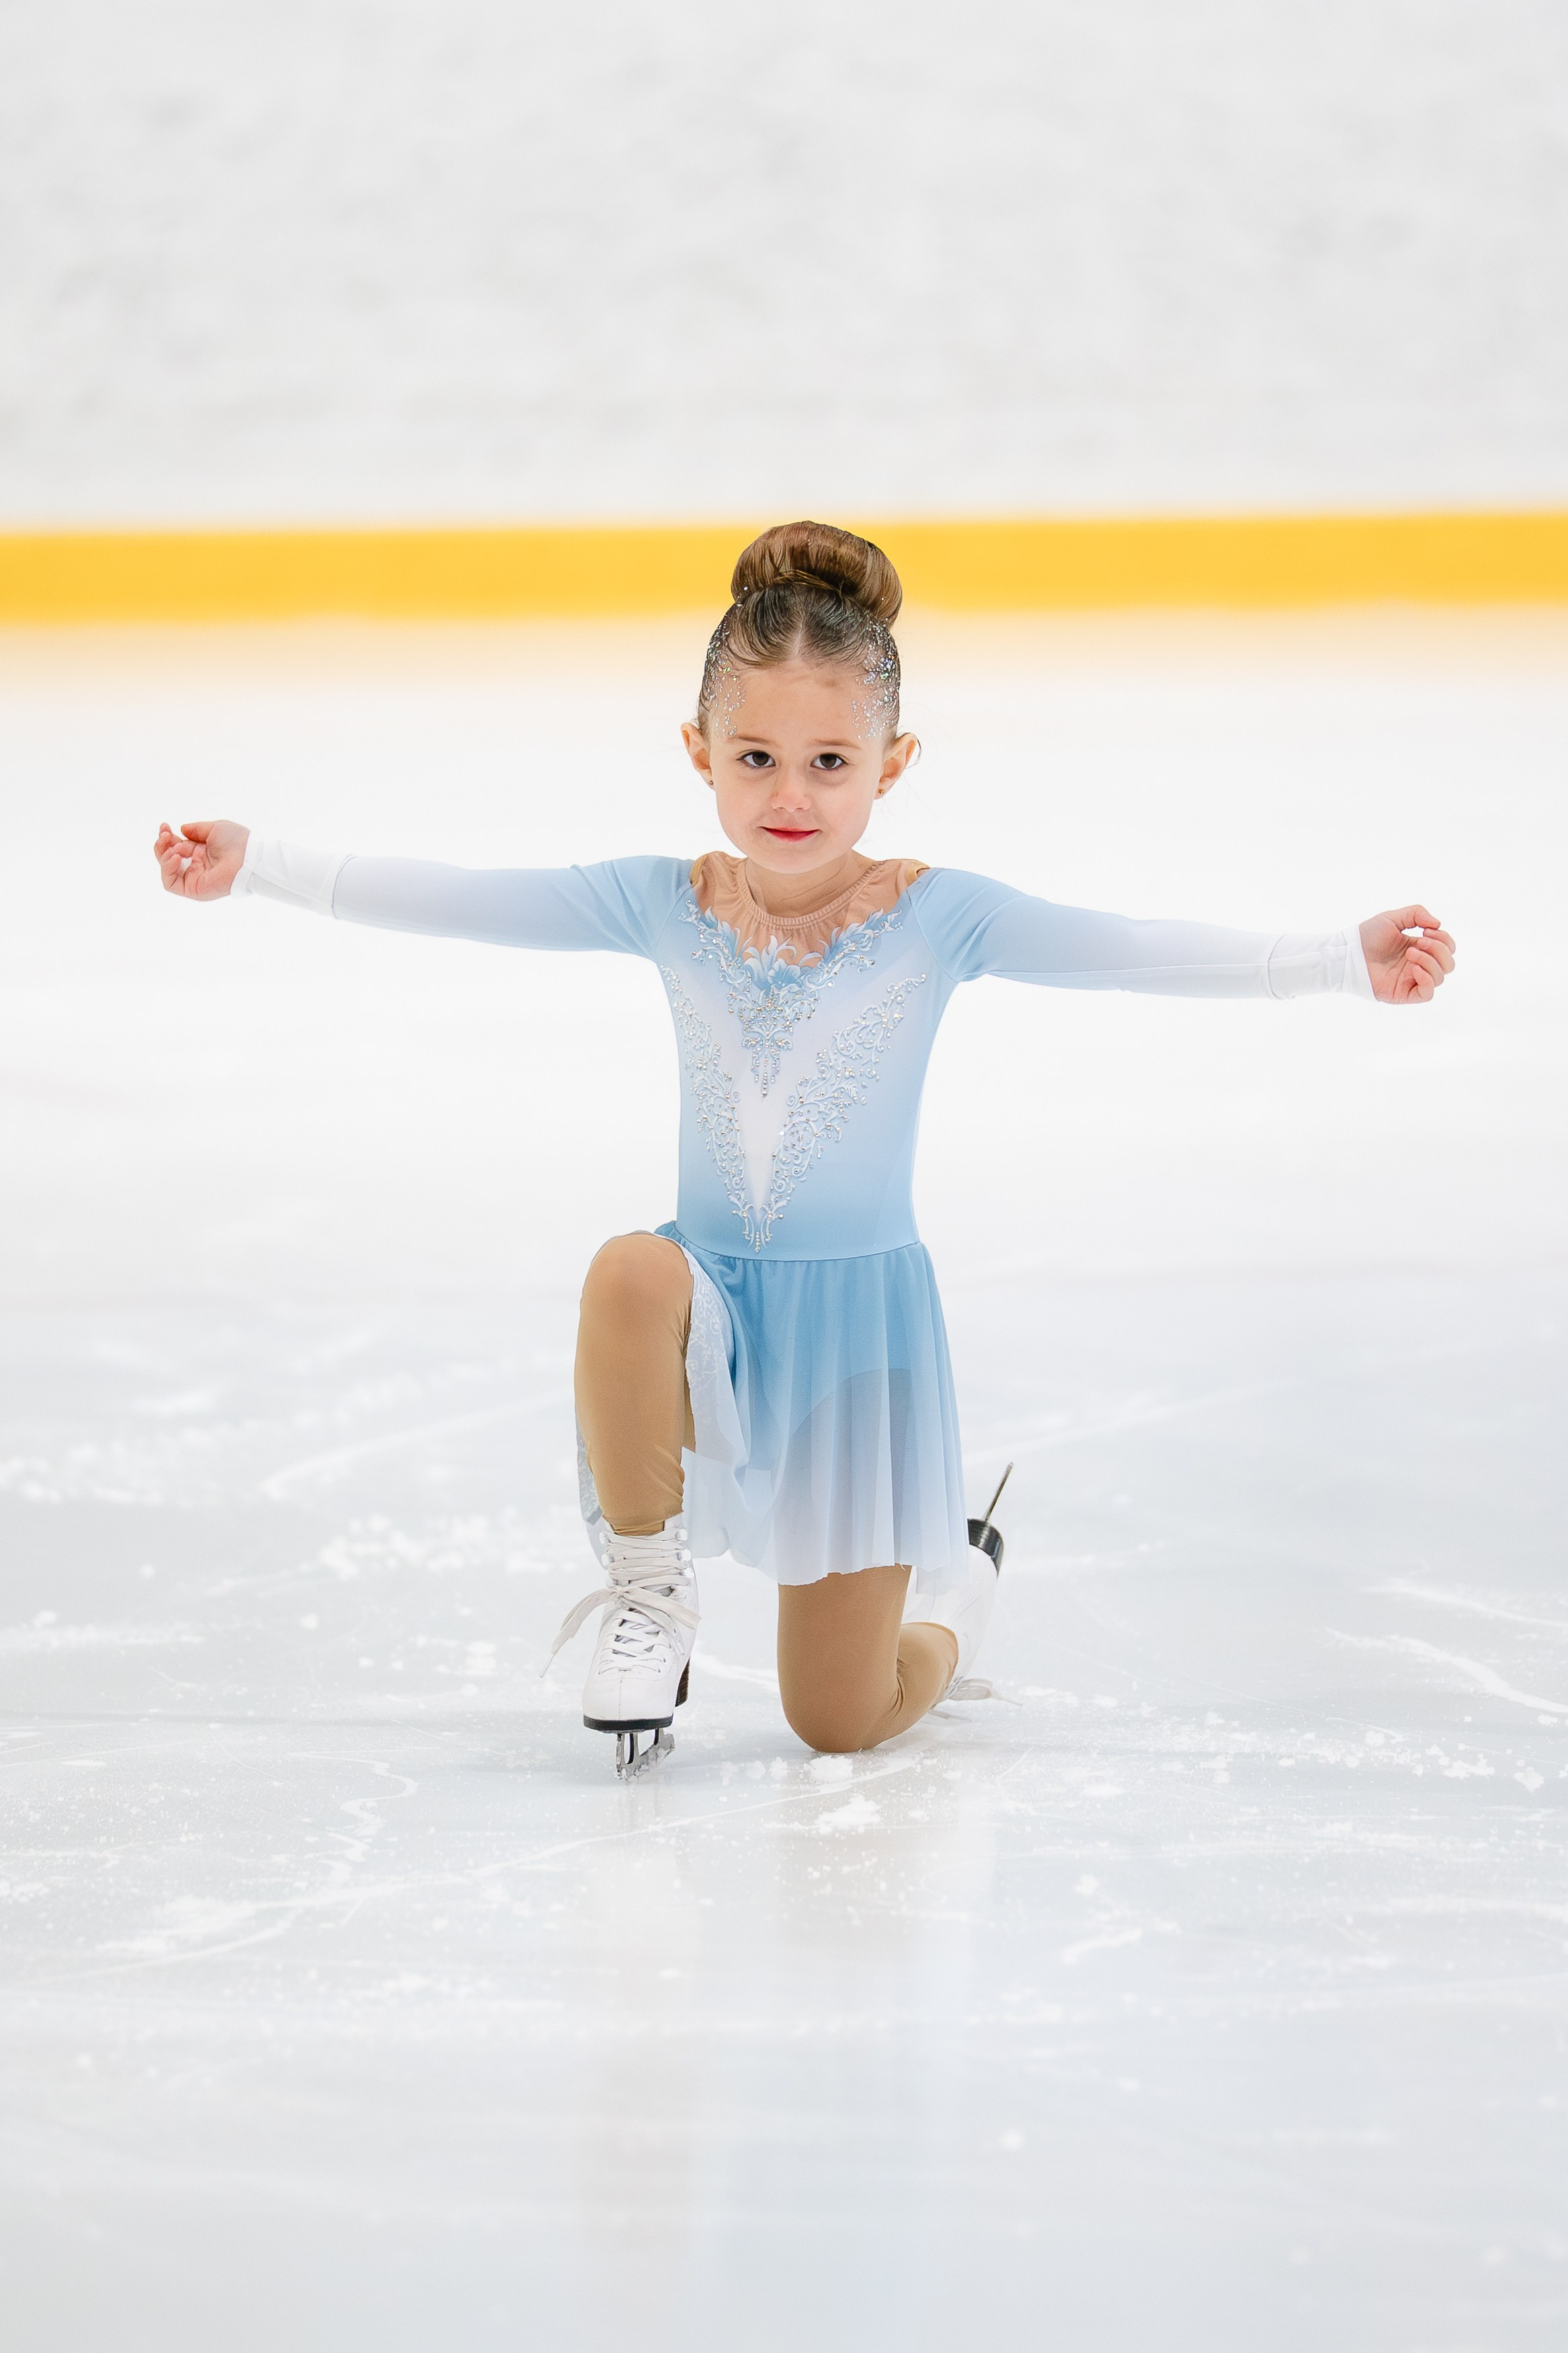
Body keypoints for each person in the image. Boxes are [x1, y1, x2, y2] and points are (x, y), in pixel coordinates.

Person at [154, 520, 1455, 1778]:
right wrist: (257, 862)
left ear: (891, 762)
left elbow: (1133, 948)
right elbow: (456, 894)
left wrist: (1343, 958)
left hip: (861, 1354)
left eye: (831, 761)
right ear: (700, 751)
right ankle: (647, 1594)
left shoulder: (943, 917)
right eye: (758, 757)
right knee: (629, 1269)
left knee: (840, 1719)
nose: (791, 794)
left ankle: (963, 1599)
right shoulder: (655, 902)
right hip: (710, 1304)